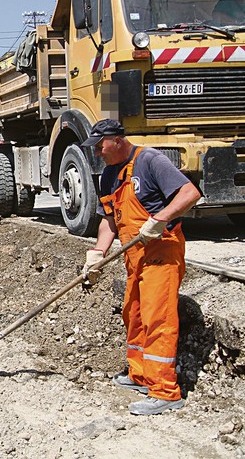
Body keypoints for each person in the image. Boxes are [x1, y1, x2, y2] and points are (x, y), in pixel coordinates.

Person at [81, 119, 201, 416]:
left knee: (157, 318)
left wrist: (159, 219)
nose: (97, 152)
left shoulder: (150, 160)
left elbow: (190, 194)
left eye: (100, 145)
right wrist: (98, 252)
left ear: (117, 139)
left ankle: (164, 391)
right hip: (133, 257)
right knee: (133, 313)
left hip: (162, 252)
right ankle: (140, 375)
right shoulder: (108, 175)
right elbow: (110, 219)